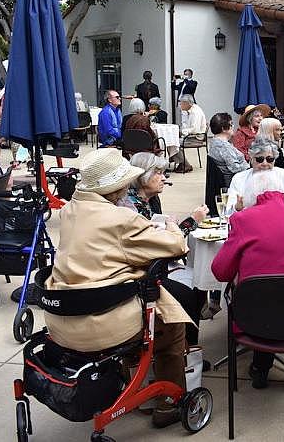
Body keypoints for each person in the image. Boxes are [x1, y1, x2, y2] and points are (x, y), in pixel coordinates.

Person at [43, 148, 189, 429]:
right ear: (116, 187)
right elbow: (176, 247)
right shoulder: (120, 218)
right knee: (171, 326)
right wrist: (172, 226)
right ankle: (168, 403)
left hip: (62, 318)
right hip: (100, 326)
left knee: (132, 302)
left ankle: (126, 382)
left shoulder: (71, 210)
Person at [211, 169, 284, 392]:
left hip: (255, 314)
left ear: (250, 193)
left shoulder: (241, 220)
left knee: (263, 296)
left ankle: (261, 368)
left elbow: (221, 272)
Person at [124, 152, 209, 347]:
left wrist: (167, 225)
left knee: (199, 282)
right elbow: (159, 245)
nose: (164, 178)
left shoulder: (148, 200)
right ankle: (185, 350)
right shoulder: (130, 207)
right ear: (142, 176)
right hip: (142, 271)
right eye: (159, 173)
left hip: (156, 263)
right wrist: (192, 221)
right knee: (190, 291)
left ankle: (188, 347)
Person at [227, 138, 284, 214]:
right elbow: (228, 212)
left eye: (270, 159)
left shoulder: (283, 174)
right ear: (251, 158)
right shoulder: (239, 178)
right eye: (259, 159)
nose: (265, 163)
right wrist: (237, 207)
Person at [208, 113, 249, 186]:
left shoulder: (214, 142)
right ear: (223, 129)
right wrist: (250, 167)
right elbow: (235, 168)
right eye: (231, 124)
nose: (233, 127)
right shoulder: (223, 146)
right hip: (234, 182)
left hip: (230, 178)